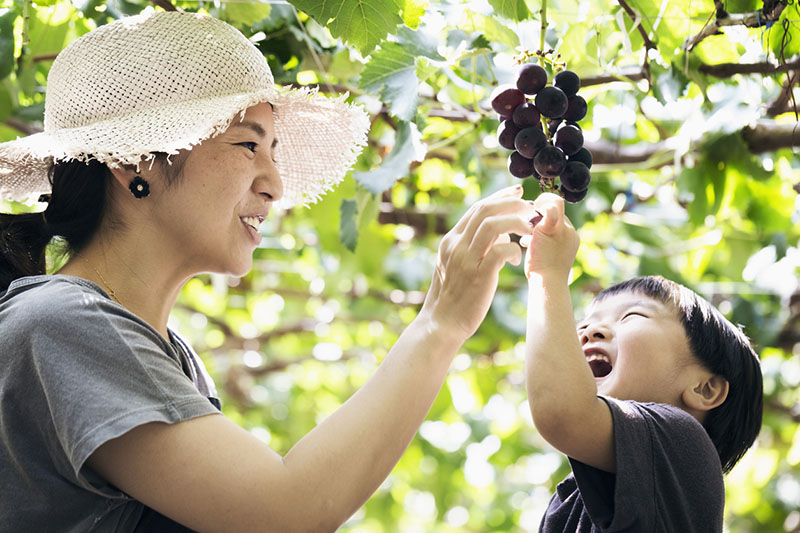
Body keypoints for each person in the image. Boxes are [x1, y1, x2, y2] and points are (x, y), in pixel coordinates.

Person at [0, 11, 538, 532]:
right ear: (134, 161)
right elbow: (286, 512)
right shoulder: (61, 323)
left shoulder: (167, 356)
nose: (275, 184)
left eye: (273, 151)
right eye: (248, 144)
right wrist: (438, 324)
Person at [521, 193, 763, 532]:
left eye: (631, 315)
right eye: (586, 321)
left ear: (704, 388)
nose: (590, 330)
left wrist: (547, 273)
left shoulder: (685, 444)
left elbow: (561, 412)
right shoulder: (573, 499)